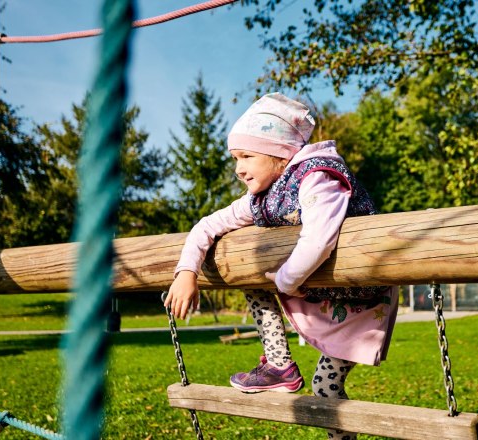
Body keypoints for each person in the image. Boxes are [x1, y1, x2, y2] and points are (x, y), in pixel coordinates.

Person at [164, 92, 398, 440]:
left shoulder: (317, 177)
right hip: (319, 292)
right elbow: (207, 225)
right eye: (235, 158)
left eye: (246, 156)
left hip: (361, 299)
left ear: (279, 154)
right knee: (250, 279)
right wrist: (186, 273)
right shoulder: (262, 197)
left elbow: (319, 237)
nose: (238, 168)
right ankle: (279, 365)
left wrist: (286, 280)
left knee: (325, 387)